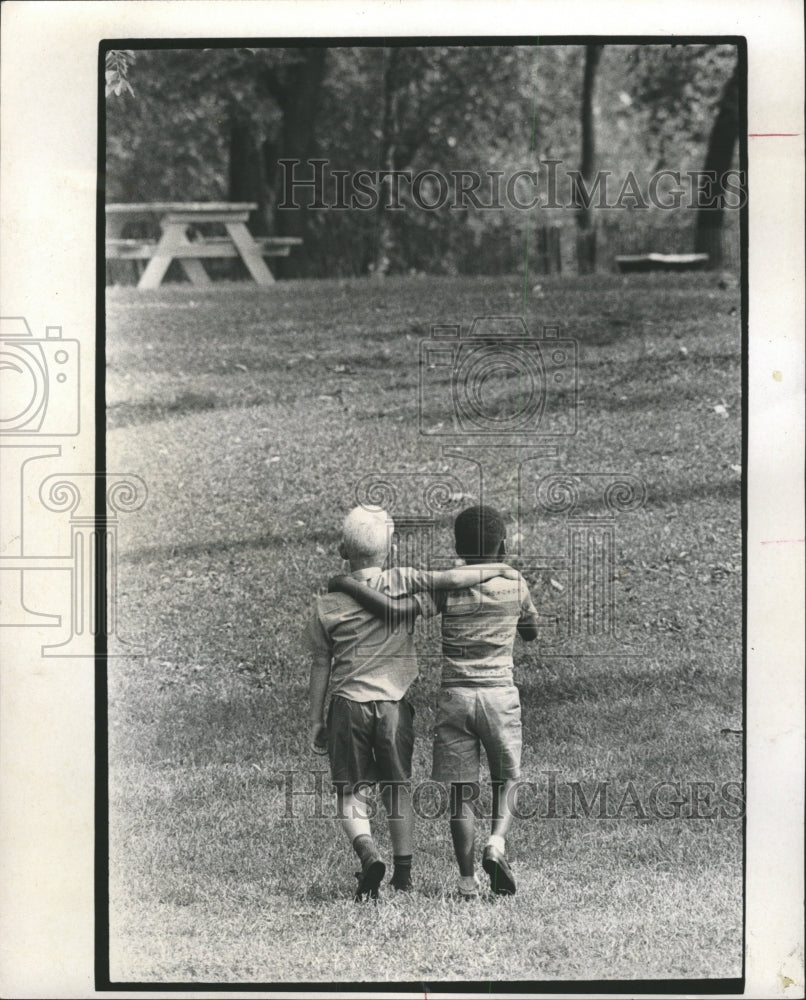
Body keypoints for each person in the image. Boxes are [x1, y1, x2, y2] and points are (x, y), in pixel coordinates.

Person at [306, 505, 516, 901]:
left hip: (347, 706)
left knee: (350, 792)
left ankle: (367, 850)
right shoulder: (401, 580)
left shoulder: (326, 605)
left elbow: (321, 664)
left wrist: (315, 719)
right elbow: (451, 578)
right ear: (391, 549)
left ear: (341, 550)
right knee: (397, 788)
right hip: (393, 708)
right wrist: (498, 570)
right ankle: (403, 875)